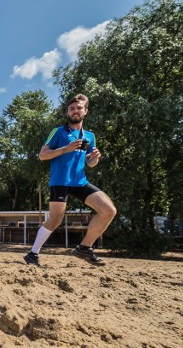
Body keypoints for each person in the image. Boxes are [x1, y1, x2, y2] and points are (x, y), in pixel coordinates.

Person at [23, 94, 116, 266]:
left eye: (79, 108)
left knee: (108, 210)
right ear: (67, 112)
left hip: (80, 181)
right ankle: (32, 254)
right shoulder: (58, 132)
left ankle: (84, 248)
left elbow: (91, 163)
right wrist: (65, 148)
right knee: (55, 219)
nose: (75, 111)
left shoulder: (90, 135)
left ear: (85, 111)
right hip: (60, 181)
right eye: (72, 108)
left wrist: (95, 157)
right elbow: (42, 155)